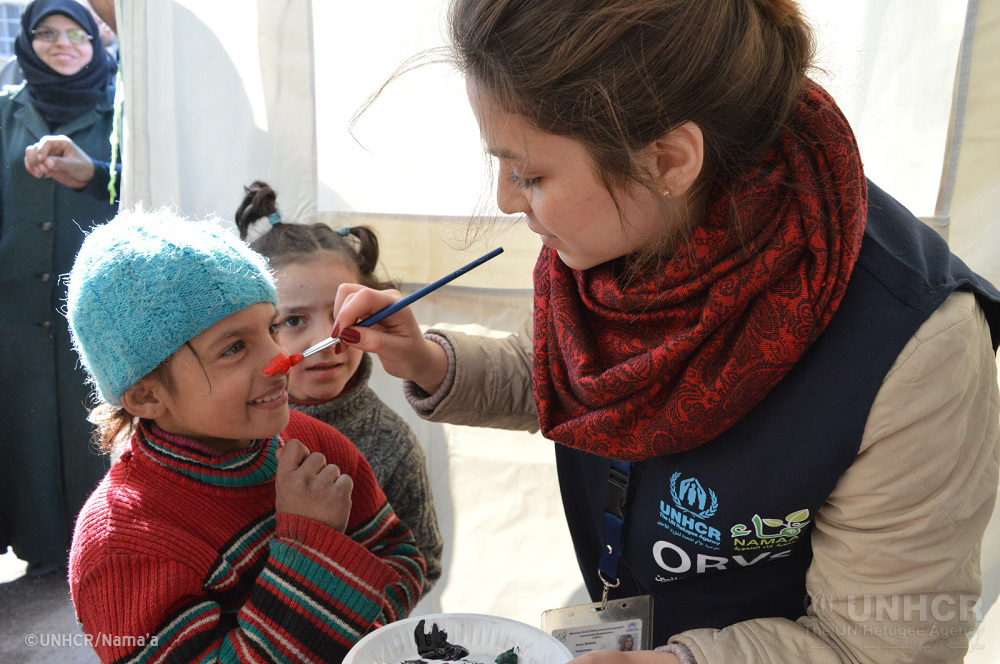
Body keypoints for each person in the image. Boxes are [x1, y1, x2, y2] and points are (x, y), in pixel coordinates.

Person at [331, 0, 1000, 662]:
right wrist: (428, 362)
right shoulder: (620, 220)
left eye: (530, 174)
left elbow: (883, 647)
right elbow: (578, 381)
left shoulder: (916, 348)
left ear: (671, 159)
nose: (507, 199)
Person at [65, 210, 426, 662]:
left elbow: (403, 559)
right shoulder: (121, 547)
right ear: (146, 395)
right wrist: (311, 543)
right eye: (234, 347)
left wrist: (356, 643)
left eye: (272, 328)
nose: (281, 360)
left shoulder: (315, 444)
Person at [235, 180, 444, 593]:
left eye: (343, 315)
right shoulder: (231, 429)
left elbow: (424, 564)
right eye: (293, 321)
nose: (325, 340)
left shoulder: (391, 442)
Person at [0, 0, 119, 577]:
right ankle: (43, 555)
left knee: (90, 429)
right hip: (13, 316)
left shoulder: (121, 109)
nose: (62, 44)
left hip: (96, 314)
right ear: (28, 42)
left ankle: (100, 553)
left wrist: (95, 174)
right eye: (47, 33)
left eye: (77, 33)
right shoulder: (6, 113)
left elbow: (145, 189)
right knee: (21, 433)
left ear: (97, 43)